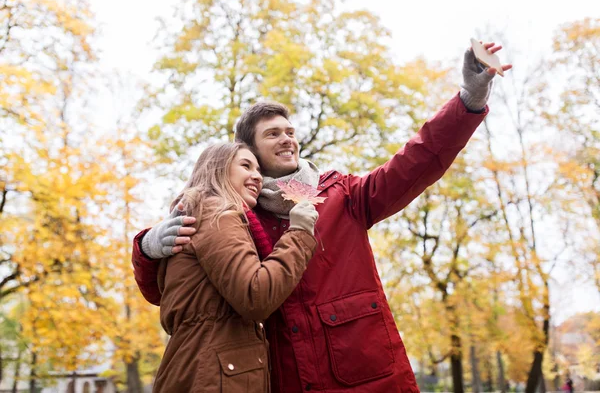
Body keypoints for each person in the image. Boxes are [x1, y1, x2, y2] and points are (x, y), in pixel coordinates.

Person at [132, 42, 512, 392]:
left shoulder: (339, 193)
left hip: (369, 374)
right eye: (273, 134)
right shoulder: (234, 213)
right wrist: (148, 249)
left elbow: (414, 162)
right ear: (247, 151)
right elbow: (172, 293)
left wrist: (468, 101)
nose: (287, 139)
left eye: (290, 132)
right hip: (287, 378)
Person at [152, 142, 319, 392]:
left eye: (258, 170)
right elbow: (256, 295)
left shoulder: (205, 213)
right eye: (245, 165)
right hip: (214, 375)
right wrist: (299, 232)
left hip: (207, 368)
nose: (256, 176)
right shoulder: (218, 213)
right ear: (217, 169)